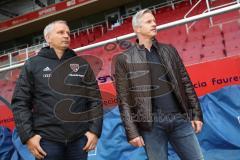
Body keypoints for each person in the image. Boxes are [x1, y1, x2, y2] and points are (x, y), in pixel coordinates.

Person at [115, 9, 204, 160]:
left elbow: (185, 82)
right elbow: (124, 99)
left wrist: (196, 114)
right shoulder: (124, 60)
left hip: (180, 118)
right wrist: (132, 131)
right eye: (149, 22)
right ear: (137, 28)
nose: (154, 24)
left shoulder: (169, 50)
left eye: (154, 21)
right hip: (151, 125)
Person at [11, 20, 103, 160]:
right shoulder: (33, 65)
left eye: (68, 33)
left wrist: (94, 131)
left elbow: (95, 100)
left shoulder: (81, 64)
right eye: (60, 32)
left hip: (79, 141)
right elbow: (20, 103)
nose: (66, 35)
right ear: (48, 38)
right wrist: (28, 136)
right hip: (46, 141)